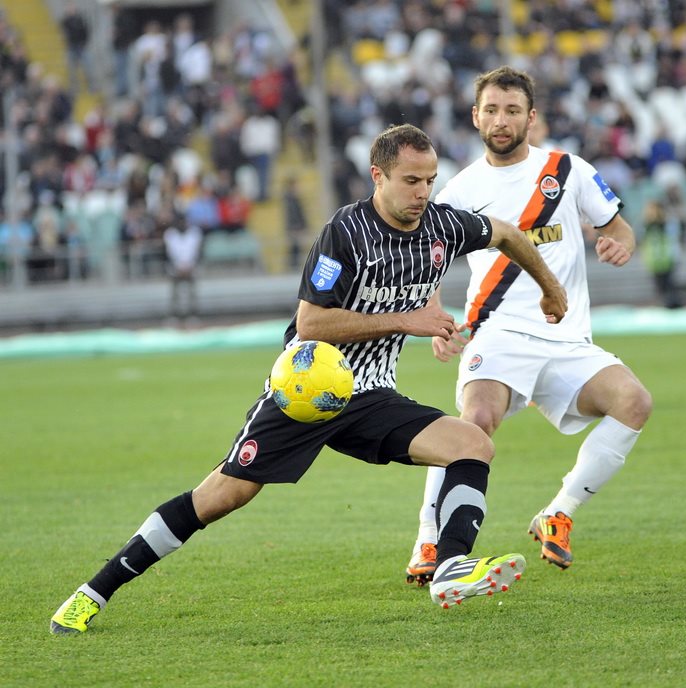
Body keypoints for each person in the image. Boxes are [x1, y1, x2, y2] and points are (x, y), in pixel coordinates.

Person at [49, 123, 567, 634]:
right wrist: (407, 320)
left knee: (473, 445)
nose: (422, 192)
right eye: (411, 181)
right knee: (221, 496)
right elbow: (311, 323)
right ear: (378, 176)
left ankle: (450, 566)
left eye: (430, 180)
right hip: (306, 390)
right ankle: (92, 593)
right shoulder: (346, 233)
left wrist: (549, 288)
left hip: (370, 395)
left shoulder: (442, 227)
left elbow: (506, 233)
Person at [404, 67, 653, 587]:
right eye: (492, 110)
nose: (501, 120)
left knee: (634, 402)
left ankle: (558, 513)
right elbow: (426, 261)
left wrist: (620, 244)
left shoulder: (567, 170)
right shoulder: (460, 189)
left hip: (566, 338)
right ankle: (430, 537)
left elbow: (618, 227)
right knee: (473, 423)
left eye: (512, 110)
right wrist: (435, 319)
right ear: (476, 117)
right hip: (497, 333)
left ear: (531, 117)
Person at [163, 212, 203, 322]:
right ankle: (174, 315)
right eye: (179, 222)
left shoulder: (195, 233)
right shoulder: (170, 234)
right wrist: (178, 267)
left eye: (184, 222)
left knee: (192, 292)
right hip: (175, 267)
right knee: (174, 293)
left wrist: (190, 266)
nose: (182, 224)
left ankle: (193, 314)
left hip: (192, 266)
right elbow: (168, 254)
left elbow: (198, 252)